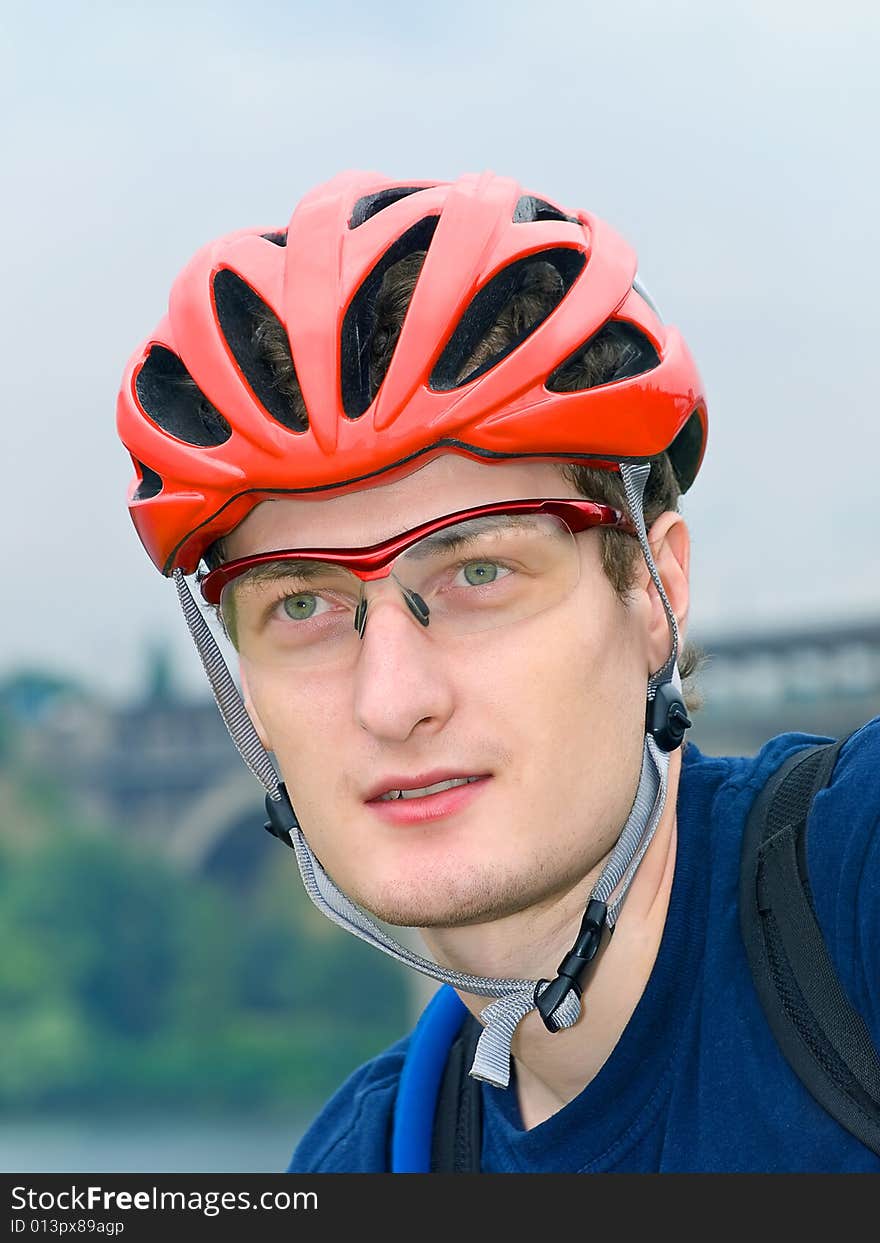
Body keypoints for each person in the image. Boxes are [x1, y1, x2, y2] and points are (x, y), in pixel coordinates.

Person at [116, 169, 880, 1173]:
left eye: (479, 570)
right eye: (301, 604)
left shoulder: (848, 892)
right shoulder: (364, 1163)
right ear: (244, 690)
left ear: (655, 591)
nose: (394, 699)